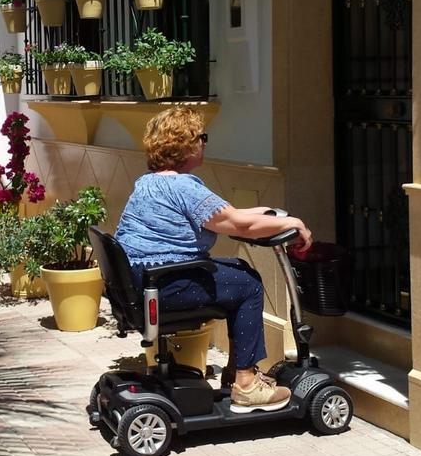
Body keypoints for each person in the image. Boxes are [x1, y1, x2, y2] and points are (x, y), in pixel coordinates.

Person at [115, 107, 313, 413]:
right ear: (185, 143)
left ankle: (237, 372)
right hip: (167, 283)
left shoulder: (149, 183)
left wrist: (266, 212)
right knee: (248, 284)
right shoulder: (184, 186)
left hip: (143, 279)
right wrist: (295, 224)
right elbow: (237, 226)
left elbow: (229, 215)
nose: (205, 142)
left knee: (237, 270)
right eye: (201, 137)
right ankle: (246, 384)